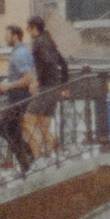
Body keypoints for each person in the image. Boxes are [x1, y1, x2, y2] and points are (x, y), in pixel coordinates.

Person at [27, 15, 72, 155]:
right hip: (55, 88)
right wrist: (64, 85)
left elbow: (46, 63)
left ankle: (37, 157)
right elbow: (63, 64)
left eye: (28, 27)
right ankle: (59, 153)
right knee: (43, 125)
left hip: (46, 88)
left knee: (27, 120)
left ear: (33, 27)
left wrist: (37, 82)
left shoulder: (38, 42)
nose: (27, 30)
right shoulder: (49, 41)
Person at [0, 23, 36, 168]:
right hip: (16, 97)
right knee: (9, 129)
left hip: (20, 97)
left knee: (5, 128)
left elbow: (27, 78)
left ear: (14, 35)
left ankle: (27, 160)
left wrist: (8, 85)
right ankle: (26, 160)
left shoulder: (20, 53)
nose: (5, 38)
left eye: (7, 35)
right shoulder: (18, 52)